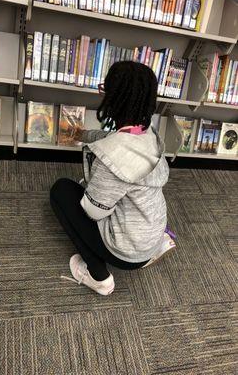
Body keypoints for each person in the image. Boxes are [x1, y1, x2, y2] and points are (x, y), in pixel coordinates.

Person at [50, 61, 176, 296]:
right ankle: (156, 246)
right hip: (151, 230)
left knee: (62, 192)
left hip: (127, 250)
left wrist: (89, 190)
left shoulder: (113, 160)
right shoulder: (148, 133)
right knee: (92, 190)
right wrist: (85, 135)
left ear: (113, 99)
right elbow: (115, 137)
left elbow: (93, 212)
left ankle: (99, 277)